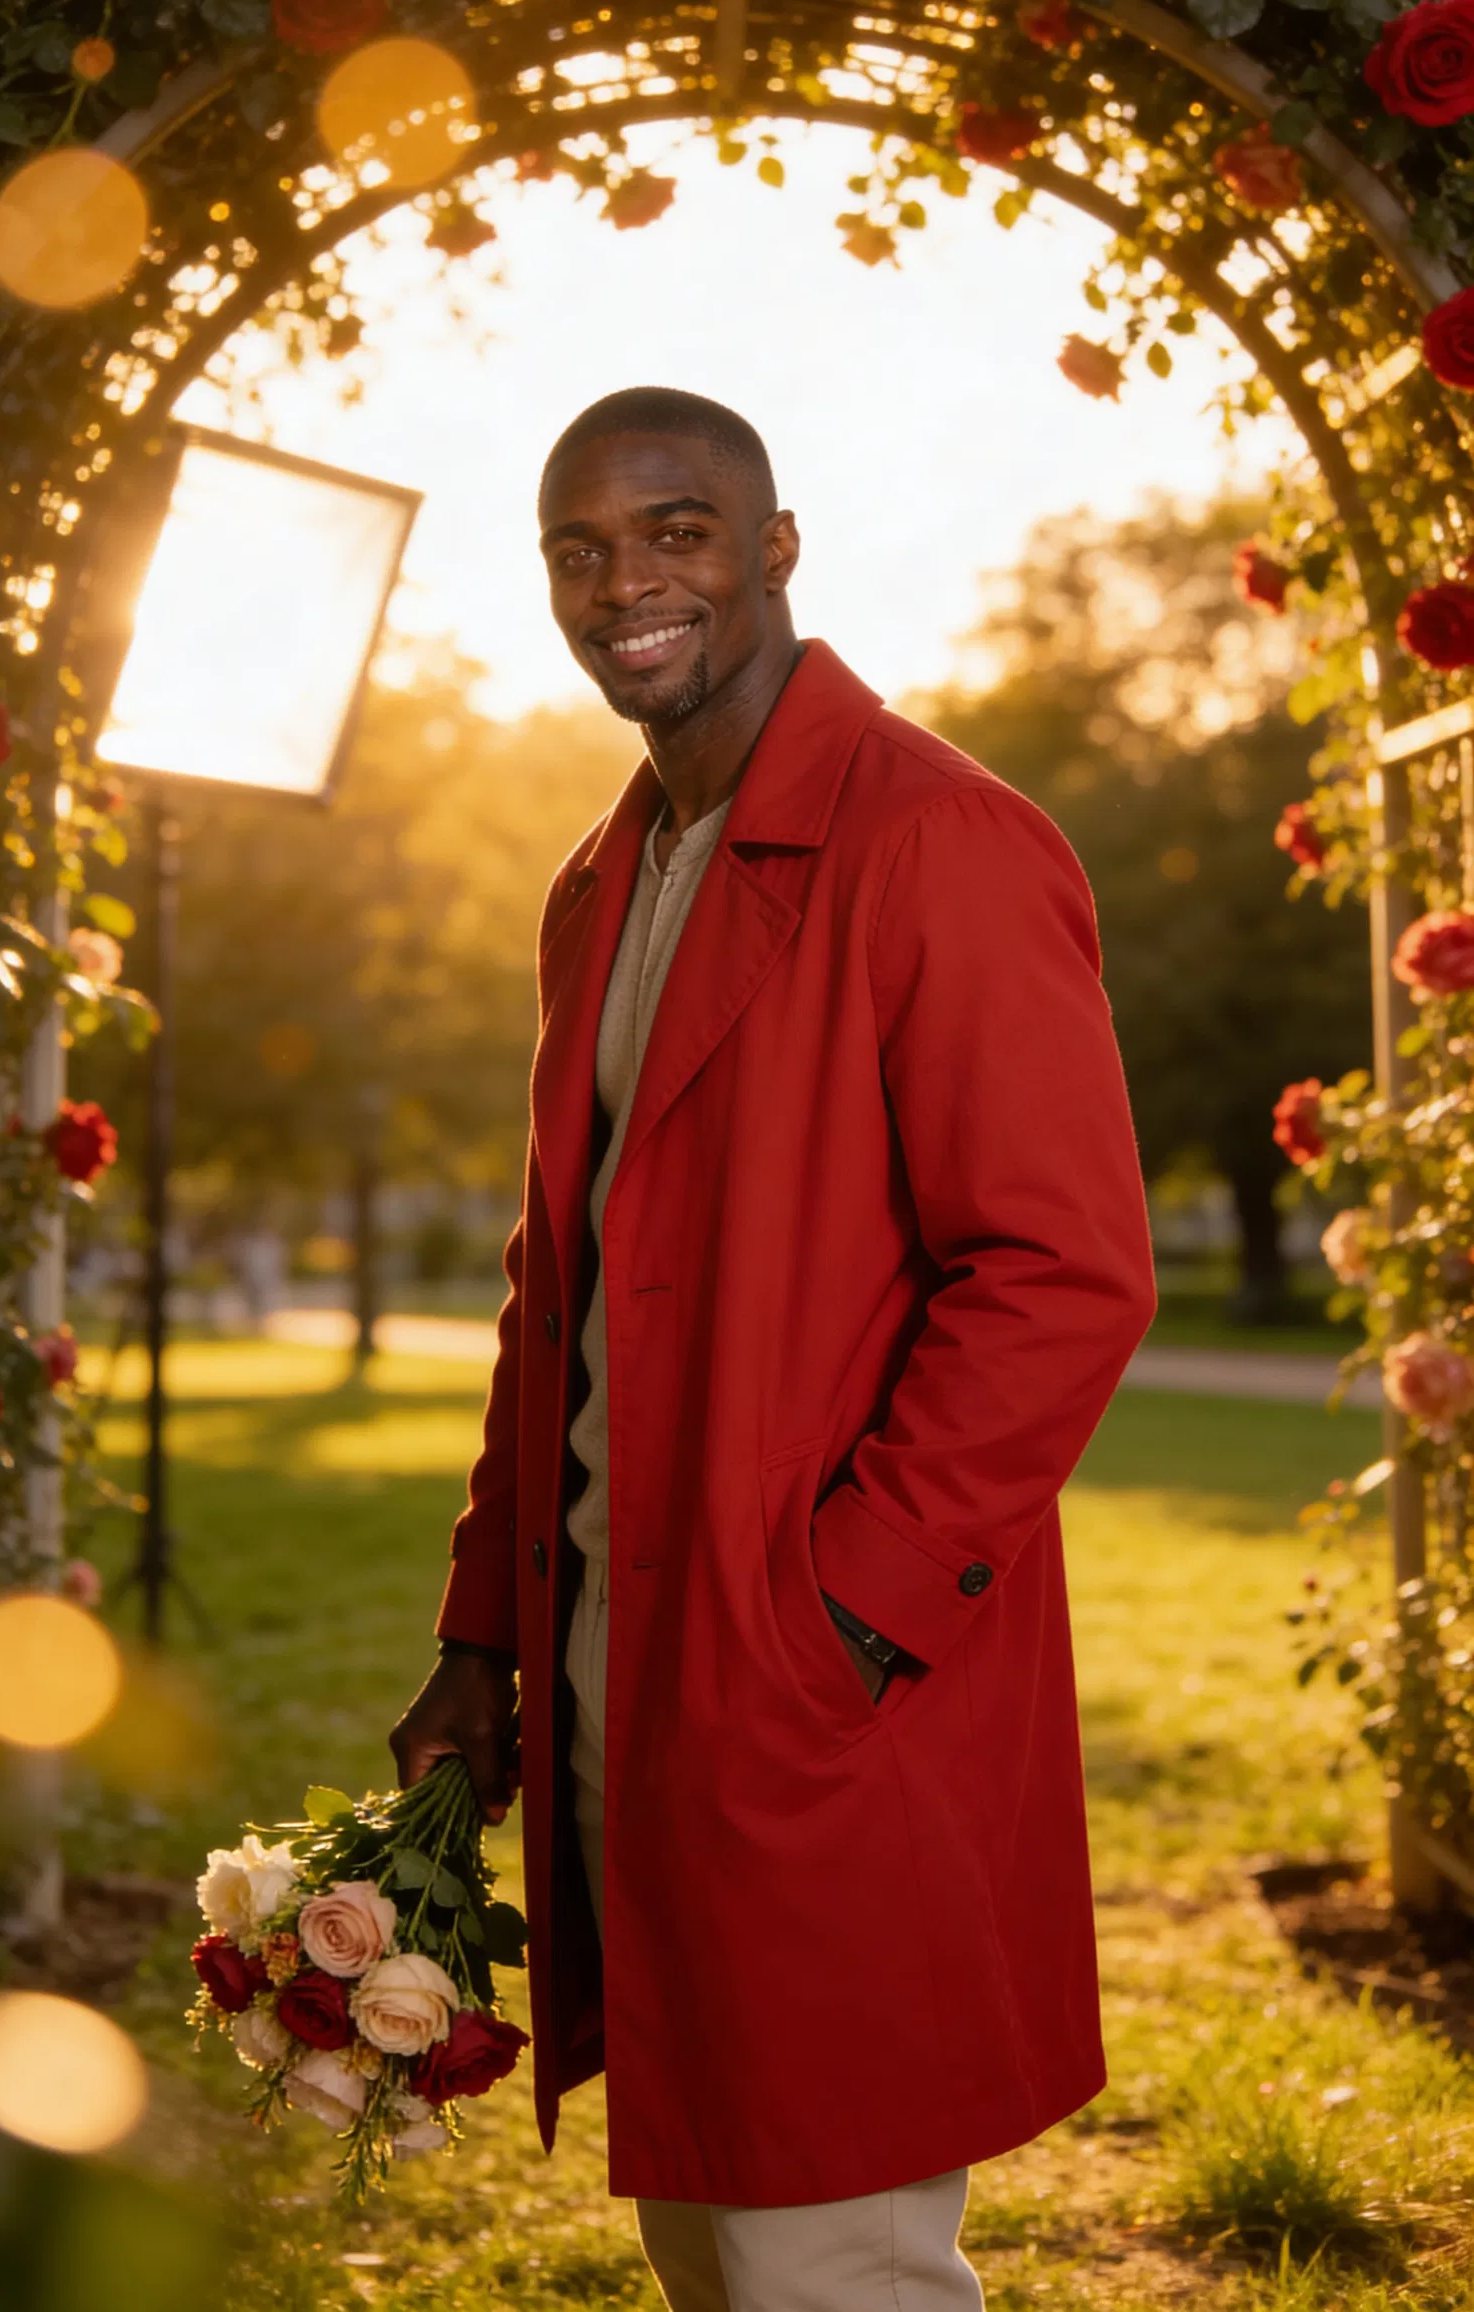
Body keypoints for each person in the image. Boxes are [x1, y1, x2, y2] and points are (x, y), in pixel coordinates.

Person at [390, 386, 1156, 2312]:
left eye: (676, 532)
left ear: (778, 545)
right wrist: (482, 1638)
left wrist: (851, 1615)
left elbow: (1062, 1273)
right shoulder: (602, 879)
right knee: (712, 2237)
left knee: (835, 2256)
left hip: (811, 1676)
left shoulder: (944, 841)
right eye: (581, 548)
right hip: (605, 1668)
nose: (624, 583)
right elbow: (549, 1292)